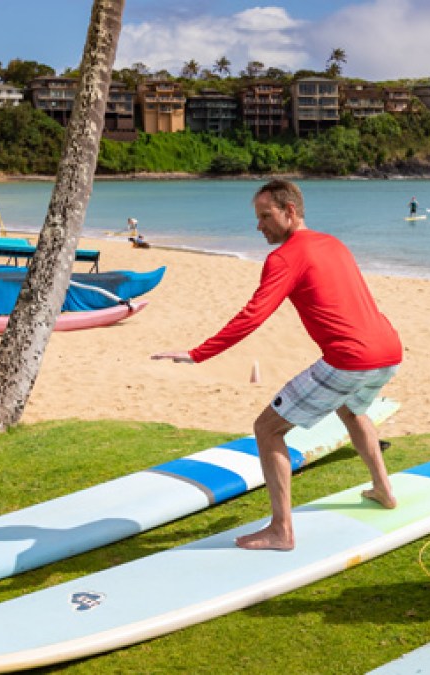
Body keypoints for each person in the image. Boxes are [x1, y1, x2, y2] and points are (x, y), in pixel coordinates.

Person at [152, 179, 402, 551]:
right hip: (389, 350)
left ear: (290, 211)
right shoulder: (332, 243)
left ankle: (281, 531)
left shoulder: (285, 257)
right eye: (257, 217)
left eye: (265, 216)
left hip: (350, 358)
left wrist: (199, 352)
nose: (259, 226)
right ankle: (383, 490)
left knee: (268, 429)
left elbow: (253, 315)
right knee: (352, 410)